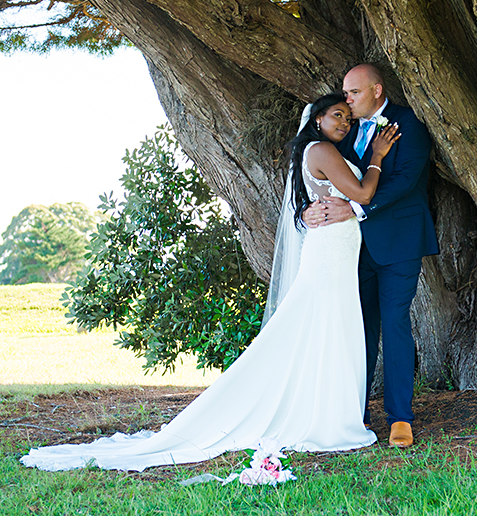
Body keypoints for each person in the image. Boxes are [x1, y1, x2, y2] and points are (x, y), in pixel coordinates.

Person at [20, 91, 399, 472]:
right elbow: (364, 192)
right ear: (317, 119)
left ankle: (323, 412)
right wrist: (378, 156)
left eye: (348, 118)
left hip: (336, 252)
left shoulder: (320, 151)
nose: (344, 122)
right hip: (329, 255)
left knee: (326, 330)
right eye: (337, 115)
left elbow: (340, 198)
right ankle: (320, 417)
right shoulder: (321, 150)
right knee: (321, 327)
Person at [302, 64, 438, 449]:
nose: (347, 101)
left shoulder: (407, 124)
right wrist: (306, 211)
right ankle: (352, 412)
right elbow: (322, 178)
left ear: (377, 90)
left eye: (354, 93)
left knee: (394, 324)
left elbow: (405, 181)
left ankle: (400, 418)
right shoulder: (341, 131)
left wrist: (356, 208)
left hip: (399, 243)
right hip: (351, 249)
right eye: (345, 94)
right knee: (358, 329)